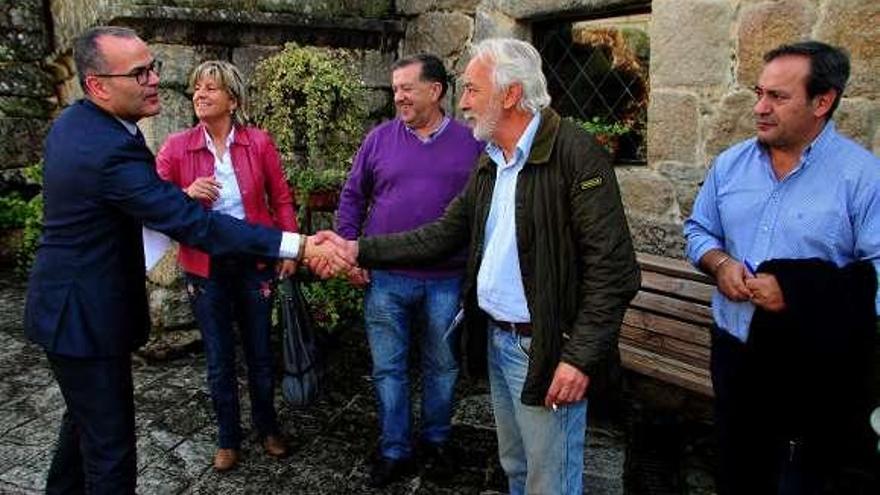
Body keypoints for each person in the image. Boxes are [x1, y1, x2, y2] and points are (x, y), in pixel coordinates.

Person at [23, 26, 345, 494]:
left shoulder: (78, 124)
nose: (156, 79)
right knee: (110, 456)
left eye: (153, 67)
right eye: (140, 73)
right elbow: (195, 223)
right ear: (98, 85)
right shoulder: (108, 148)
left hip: (73, 310)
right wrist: (297, 244)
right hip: (84, 318)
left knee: (81, 433)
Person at [319, 38, 639, 494]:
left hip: (545, 350)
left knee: (551, 482)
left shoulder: (575, 153)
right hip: (499, 340)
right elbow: (442, 233)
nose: (463, 102)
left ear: (509, 95)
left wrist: (578, 357)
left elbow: (614, 270)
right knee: (516, 467)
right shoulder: (491, 161)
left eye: (471, 90)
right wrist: (357, 250)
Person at [684, 41, 880, 494]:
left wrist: (797, 291)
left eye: (778, 97)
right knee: (738, 476)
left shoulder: (862, 177)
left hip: (814, 367)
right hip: (734, 354)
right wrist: (719, 263)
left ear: (823, 101)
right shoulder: (730, 165)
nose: (760, 108)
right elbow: (698, 231)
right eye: (759, 93)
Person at [334, 53, 483, 487]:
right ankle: (395, 448)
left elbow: (483, 210)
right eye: (395, 88)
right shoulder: (378, 139)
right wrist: (349, 251)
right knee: (388, 368)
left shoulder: (472, 144)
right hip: (385, 279)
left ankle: (436, 441)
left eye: (406, 88)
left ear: (435, 91)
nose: (397, 96)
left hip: (447, 280)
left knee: (442, 367)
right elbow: (351, 197)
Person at [155, 60, 295, 471]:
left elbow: (281, 199)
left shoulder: (259, 143)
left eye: (210, 88)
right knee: (218, 356)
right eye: (196, 88)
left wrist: (287, 249)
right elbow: (151, 200)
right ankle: (228, 438)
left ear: (232, 100)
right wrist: (185, 193)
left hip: (255, 263)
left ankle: (268, 428)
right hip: (205, 266)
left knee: (259, 353)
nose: (200, 94)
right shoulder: (177, 147)